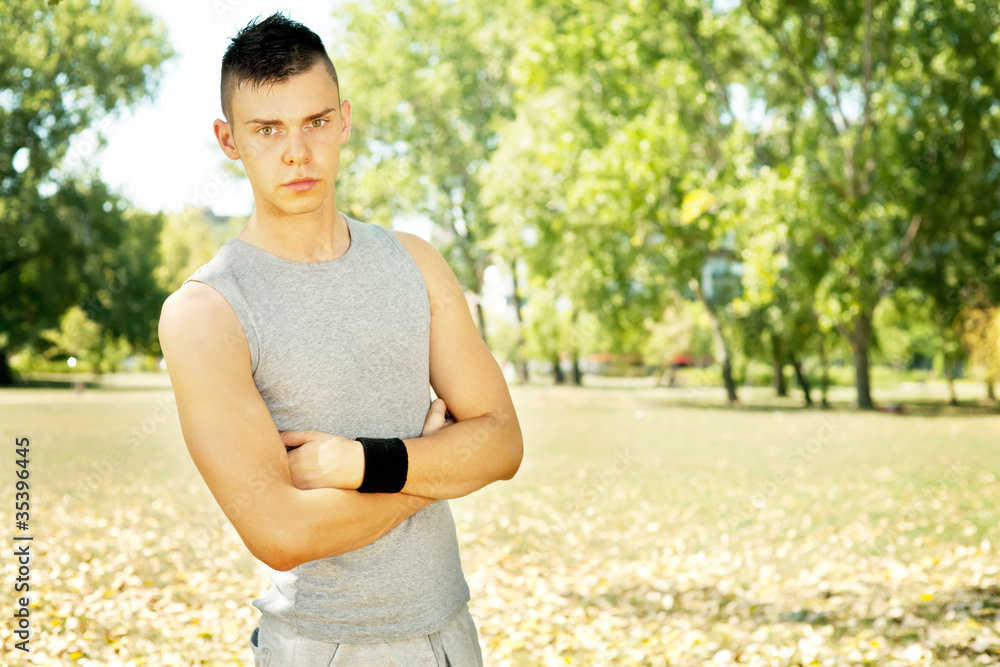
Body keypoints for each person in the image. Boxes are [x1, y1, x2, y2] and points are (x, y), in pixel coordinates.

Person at [157, 13, 523, 667]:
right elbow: (280, 531)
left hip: (450, 635)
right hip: (318, 645)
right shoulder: (205, 312)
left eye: (316, 122)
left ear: (345, 120)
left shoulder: (416, 261)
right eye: (267, 129)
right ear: (228, 139)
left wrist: (360, 462)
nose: (297, 152)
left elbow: (501, 441)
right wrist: (434, 465)